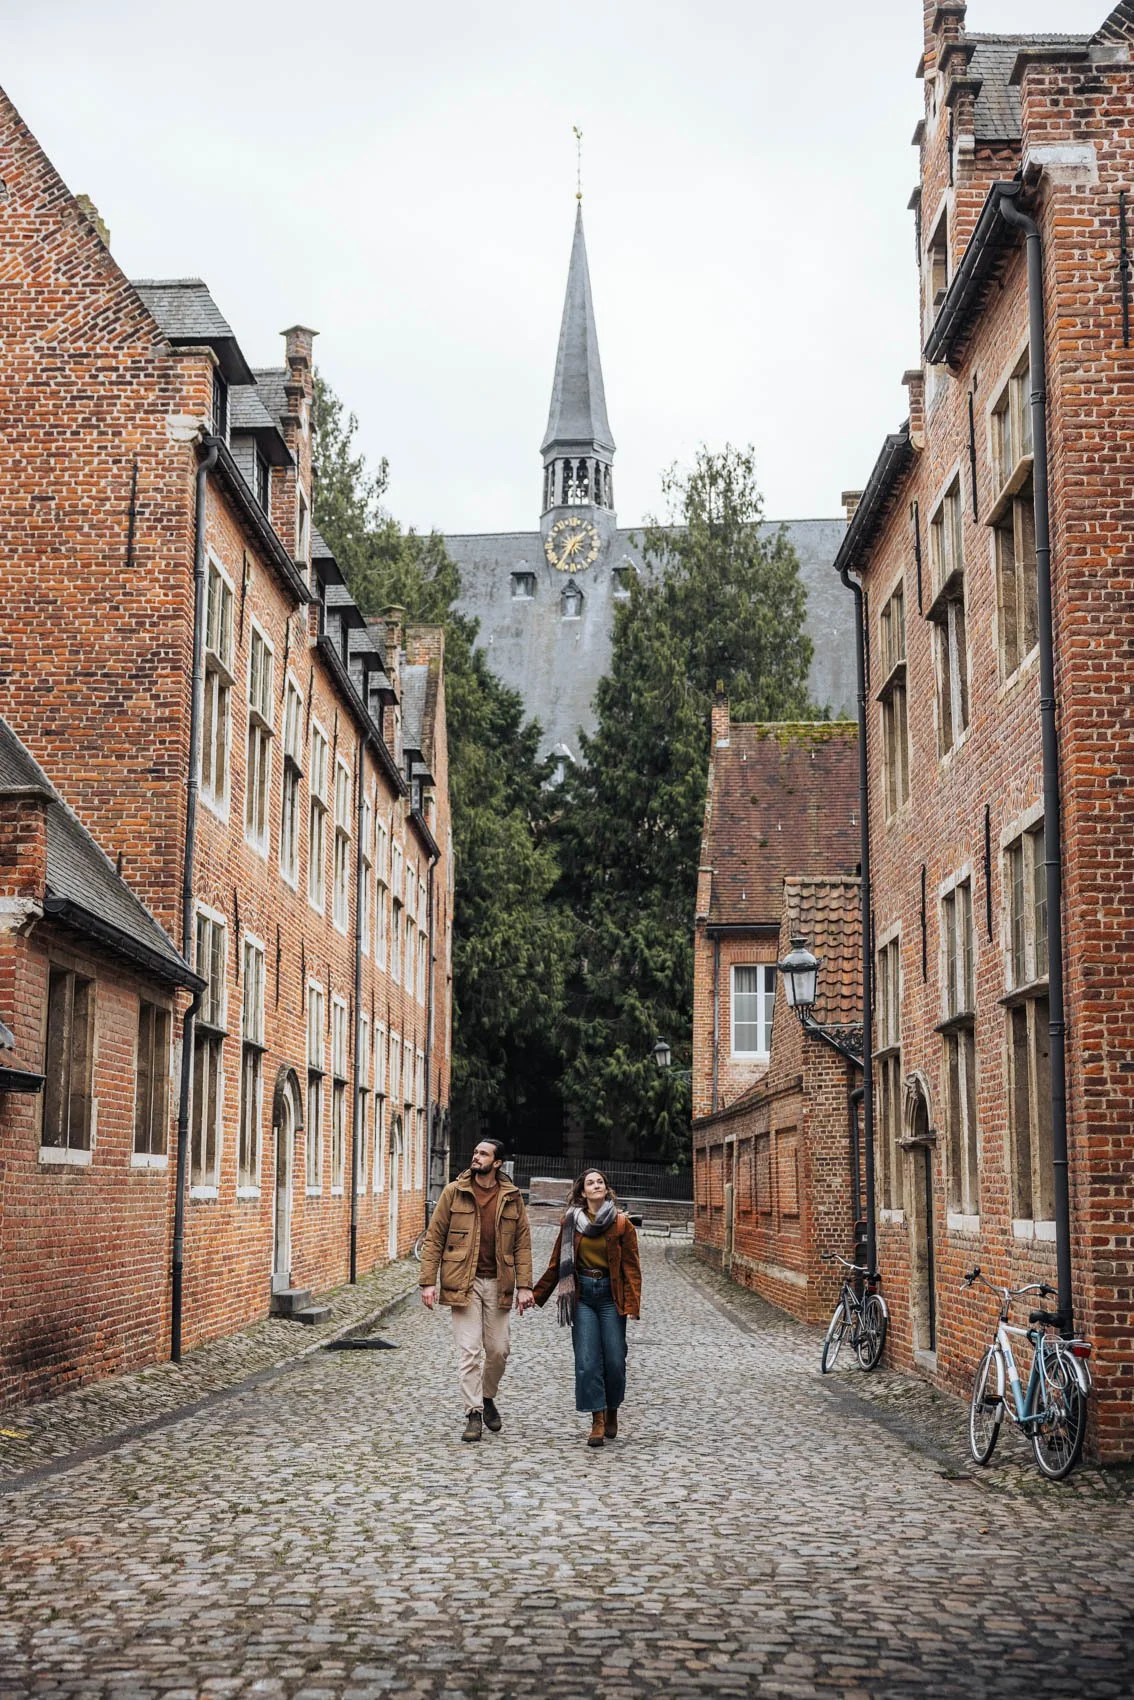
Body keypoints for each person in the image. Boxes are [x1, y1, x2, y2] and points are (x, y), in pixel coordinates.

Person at [419, 1139, 534, 1442]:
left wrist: (524, 1286)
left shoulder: (511, 1197)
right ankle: (473, 1413)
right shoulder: (454, 1192)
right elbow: (434, 1238)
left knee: (498, 1350)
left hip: (500, 1283)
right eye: (475, 1152)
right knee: (469, 1352)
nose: (476, 1157)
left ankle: (487, 1396)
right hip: (463, 1283)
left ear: (497, 1163)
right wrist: (428, 1281)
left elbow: (522, 1243)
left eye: (483, 1154)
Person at [533, 1168, 642, 1448]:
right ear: (582, 1192)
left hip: (609, 1295)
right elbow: (557, 1263)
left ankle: (612, 1408)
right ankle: (597, 1419)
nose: (596, 1185)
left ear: (606, 1189)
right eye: (590, 1183)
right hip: (582, 1296)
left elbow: (631, 1267)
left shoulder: (620, 1225)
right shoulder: (570, 1222)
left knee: (616, 1360)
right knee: (587, 1360)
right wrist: (536, 1295)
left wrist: (632, 1304)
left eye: (600, 1182)